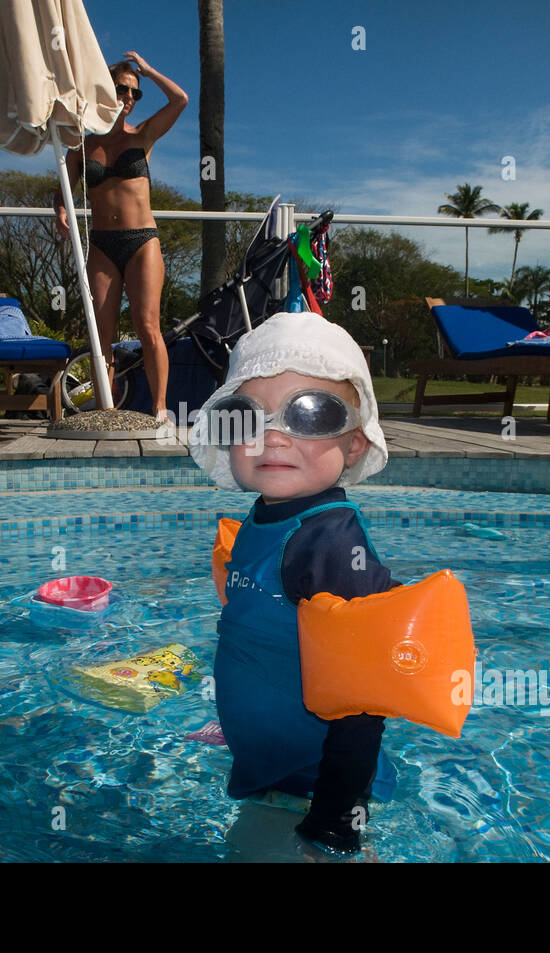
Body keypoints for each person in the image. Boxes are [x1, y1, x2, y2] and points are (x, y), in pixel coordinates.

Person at [188, 311, 397, 857]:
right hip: (275, 770)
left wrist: (334, 823)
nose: (274, 434)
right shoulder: (272, 518)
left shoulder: (328, 545)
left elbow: (361, 702)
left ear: (353, 445)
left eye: (311, 412)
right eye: (245, 418)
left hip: (307, 794)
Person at [53, 51, 187, 420]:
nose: (128, 97)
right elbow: (63, 185)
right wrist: (61, 209)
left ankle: (160, 410)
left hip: (142, 240)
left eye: (134, 93)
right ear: (103, 92)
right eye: (121, 89)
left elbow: (180, 100)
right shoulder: (82, 143)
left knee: (147, 326)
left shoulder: (143, 135)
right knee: (102, 332)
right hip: (102, 243)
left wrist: (147, 70)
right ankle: (106, 409)